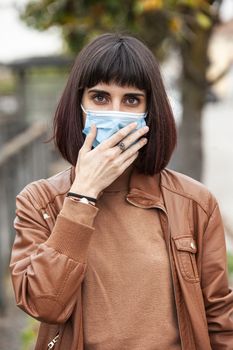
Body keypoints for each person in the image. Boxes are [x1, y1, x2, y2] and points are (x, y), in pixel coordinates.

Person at [10, 33, 233, 350]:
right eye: (100, 97)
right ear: (79, 105)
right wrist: (82, 195)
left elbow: (220, 322)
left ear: (149, 111)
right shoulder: (41, 201)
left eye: (131, 100)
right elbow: (44, 304)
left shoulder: (194, 203)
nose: (115, 111)